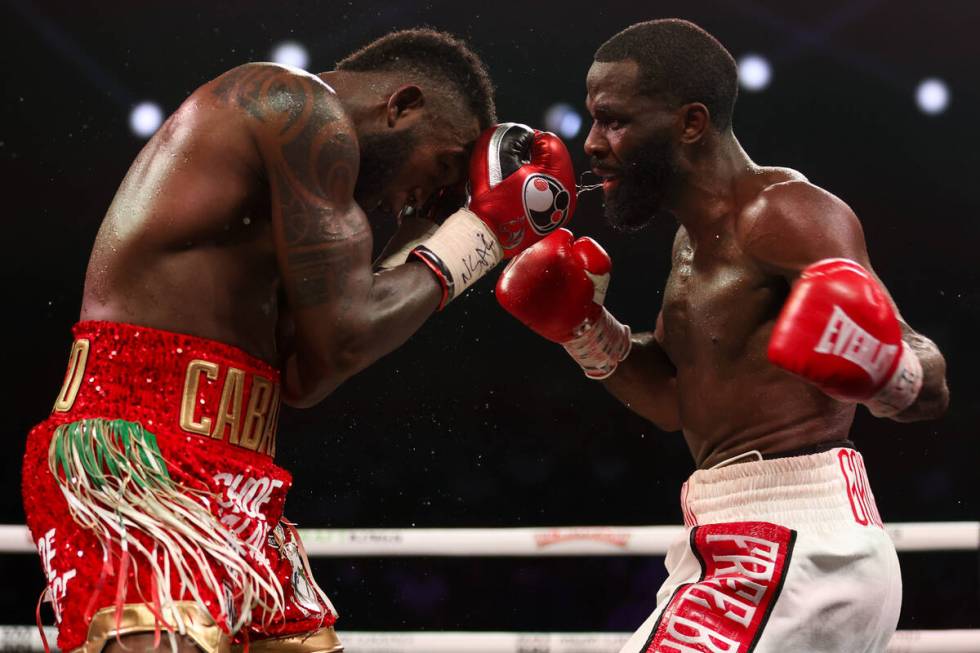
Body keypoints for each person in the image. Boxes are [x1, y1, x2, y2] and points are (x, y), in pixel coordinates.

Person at [24, 28, 576, 653]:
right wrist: (482, 232)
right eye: (444, 167)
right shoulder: (296, 109)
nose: (430, 196)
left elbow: (309, 376)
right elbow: (345, 339)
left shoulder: (313, 200)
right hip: (139, 455)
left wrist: (435, 227)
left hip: (240, 473)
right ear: (402, 105)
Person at [496, 19, 949, 653]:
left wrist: (885, 368)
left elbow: (926, 374)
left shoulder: (783, 212)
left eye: (614, 120)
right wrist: (584, 331)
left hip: (794, 546)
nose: (593, 143)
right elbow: (675, 403)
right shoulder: (692, 241)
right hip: (743, 538)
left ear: (691, 123)